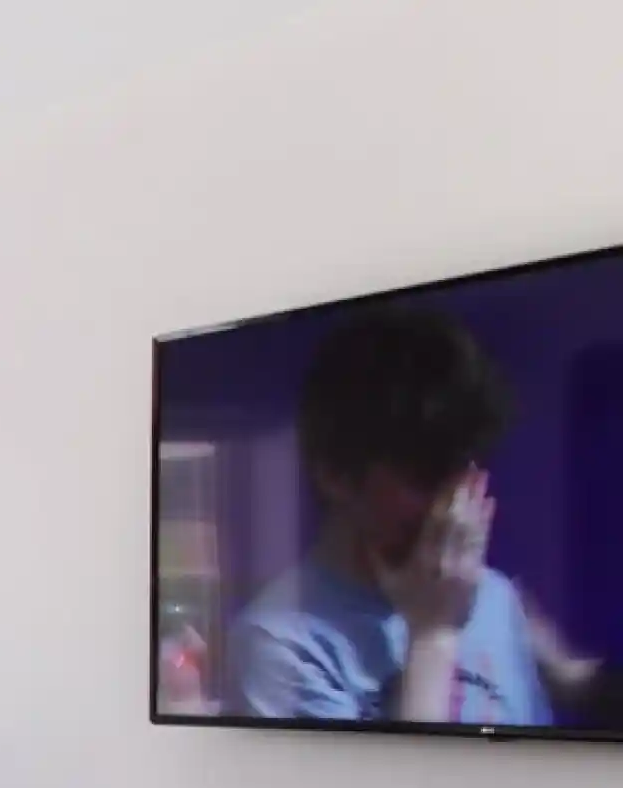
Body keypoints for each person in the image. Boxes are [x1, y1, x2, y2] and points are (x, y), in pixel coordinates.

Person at [226, 307, 598, 724]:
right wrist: (433, 634)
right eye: (426, 476)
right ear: (334, 472)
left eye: (466, 474)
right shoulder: (279, 644)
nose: (455, 509)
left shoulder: (493, 596)